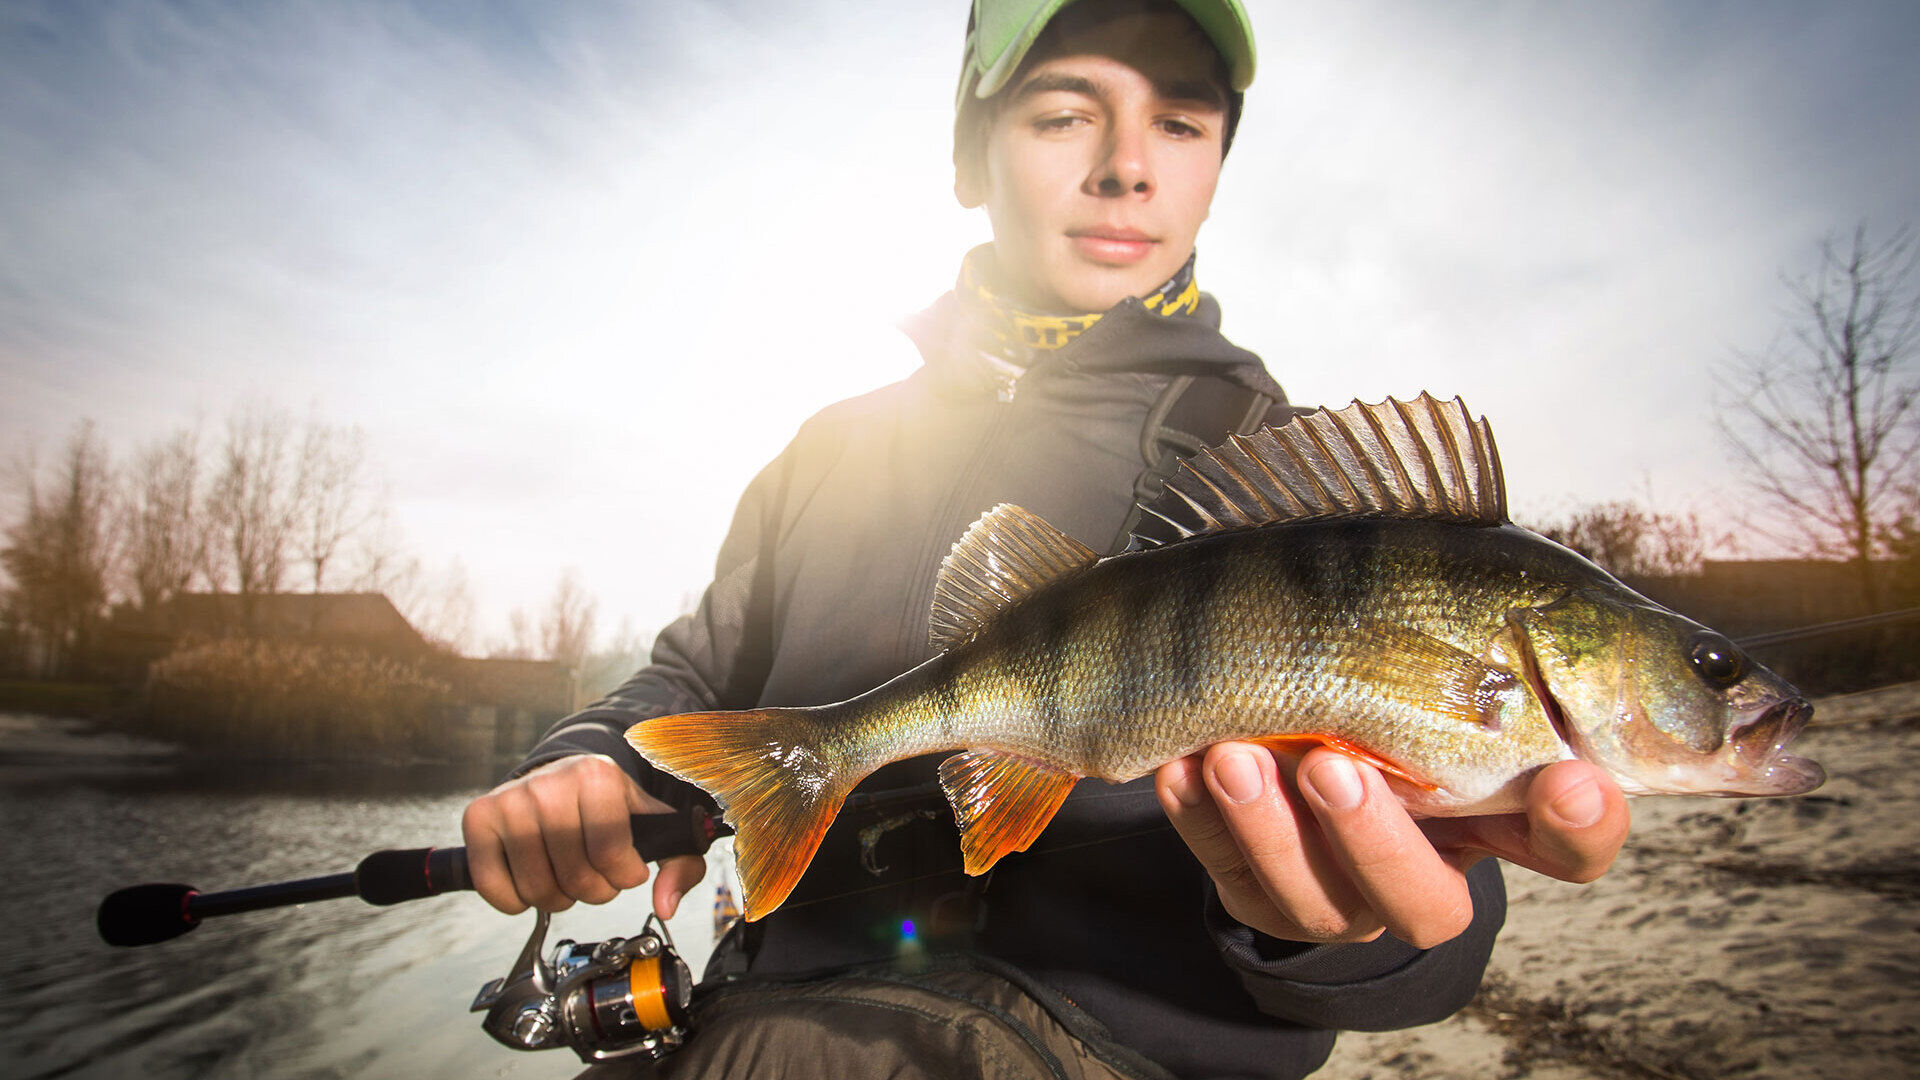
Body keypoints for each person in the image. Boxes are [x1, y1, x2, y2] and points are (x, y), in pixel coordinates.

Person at [461, 2, 1632, 1077]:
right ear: (972, 155)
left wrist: (1347, 934)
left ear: (1219, 166)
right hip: (775, 1015)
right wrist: (591, 756)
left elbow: (1443, 944)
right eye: (1065, 111)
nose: (1124, 165)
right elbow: (697, 673)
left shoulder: (1286, 471)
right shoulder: (828, 450)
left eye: (1180, 120)